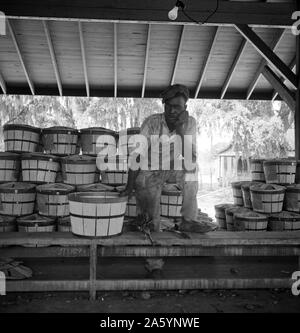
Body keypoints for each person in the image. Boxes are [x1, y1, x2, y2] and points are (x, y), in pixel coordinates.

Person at [120, 84, 216, 278]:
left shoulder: (190, 123)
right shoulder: (152, 123)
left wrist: (180, 129)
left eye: (178, 107)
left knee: (191, 169)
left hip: (173, 168)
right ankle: (154, 264)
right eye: (169, 106)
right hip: (149, 171)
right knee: (152, 220)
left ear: (185, 108)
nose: (172, 110)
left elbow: (191, 156)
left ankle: (188, 220)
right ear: (163, 106)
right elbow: (136, 156)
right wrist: (130, 186)